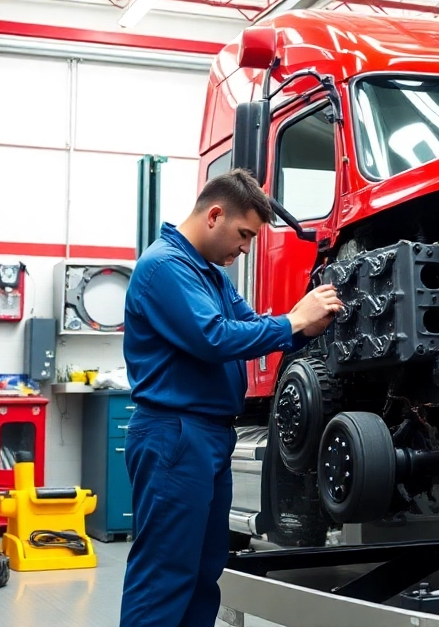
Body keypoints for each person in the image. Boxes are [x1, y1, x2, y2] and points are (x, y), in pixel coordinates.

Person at [119, 168, 342, 627]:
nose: (244, 249)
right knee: (165, 573)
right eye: (243, 235)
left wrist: (307, 323)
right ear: (214, 215)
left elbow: (252, 326)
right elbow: (215, 338)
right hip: (174, 435)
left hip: (209, 436)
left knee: (203, 572)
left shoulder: (213, 277)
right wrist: (293, 322)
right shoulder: (165, 267)